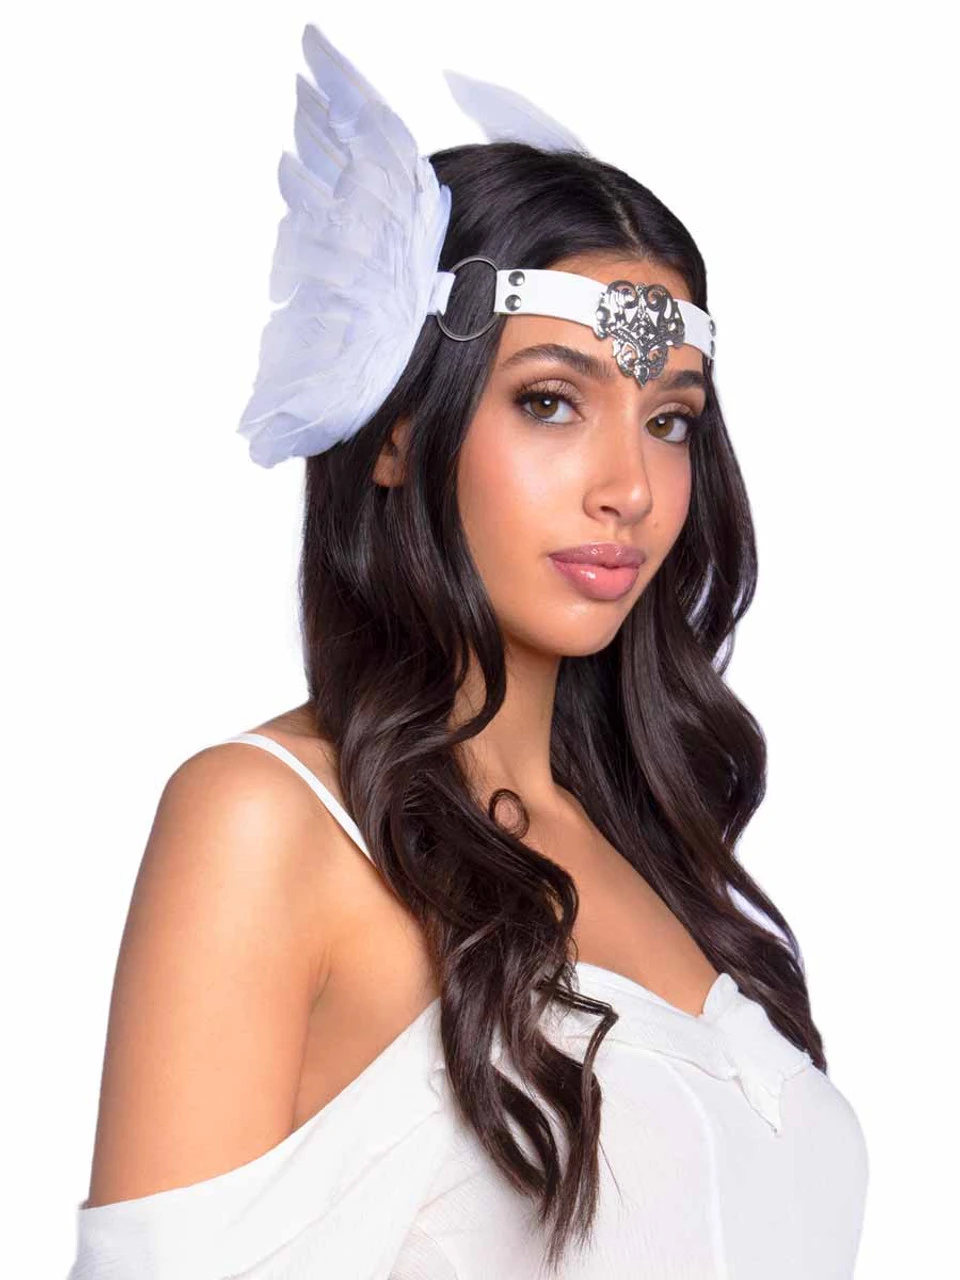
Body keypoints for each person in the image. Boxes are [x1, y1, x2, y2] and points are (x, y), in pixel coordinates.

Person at [66, 22, 869, 1280]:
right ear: (397, 428)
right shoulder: (271, 822)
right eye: (550, 401)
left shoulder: (662, 849)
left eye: (669, 420)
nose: (628, 486)